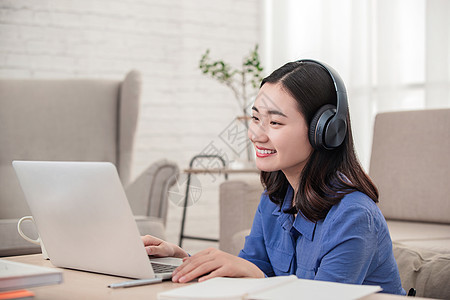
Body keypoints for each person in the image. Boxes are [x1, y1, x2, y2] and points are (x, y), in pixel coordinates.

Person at [141, 60, 406, 295]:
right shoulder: (276, 198)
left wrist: (258, 280)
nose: (256, 134)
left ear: (324, 131)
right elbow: (248, 268)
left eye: (275, 123)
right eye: (255, 118)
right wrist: (185, 260)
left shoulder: (354, 216)